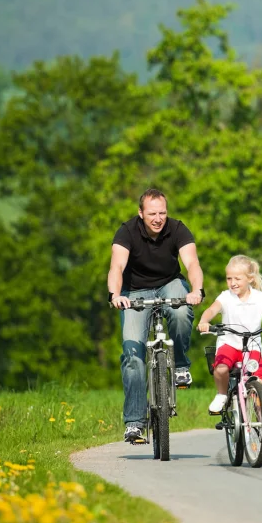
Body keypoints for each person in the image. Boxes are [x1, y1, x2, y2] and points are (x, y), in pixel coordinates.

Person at [108, 188, 205, 444]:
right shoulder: (126, 232)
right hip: (134, 291)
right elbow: (117, 266)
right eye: (152, 213)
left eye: (162, 212)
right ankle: (134, 423)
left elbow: (192, 263)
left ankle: (181, 366)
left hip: (168, 283)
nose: (158, 218)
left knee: (182, 311)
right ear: (141, 213)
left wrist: (196, 290)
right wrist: (115, 295)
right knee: (132, 356)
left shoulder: (178, 229)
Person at [197, 255, 262, 441]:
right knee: (221, 368)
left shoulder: (260, 298)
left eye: (237, 278)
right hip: (229, 343)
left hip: (252, 346)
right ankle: (222, 394)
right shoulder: (225, 297)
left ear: (250, 279)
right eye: (229, 278)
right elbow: (211, 310)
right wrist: (204, 321)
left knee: (258, 385)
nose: (232, 283)